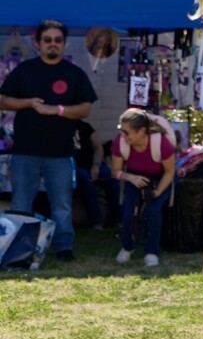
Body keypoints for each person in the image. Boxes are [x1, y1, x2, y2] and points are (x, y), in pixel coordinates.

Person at [0, 20, 98, 262]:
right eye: (48, 40)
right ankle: (19, 250)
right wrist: (28, 103)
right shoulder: (25, 70)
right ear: (38, 43)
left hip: (60, 153)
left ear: (64, 44)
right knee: (22, 202)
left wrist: (58, 110)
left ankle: (64, 248)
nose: (52, 44)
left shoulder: (74, 74)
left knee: (62, 205)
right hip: (25, 151)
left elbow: (85, 109)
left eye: (57, 40)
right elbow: (3, 100)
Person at [111, 109, 177, 267]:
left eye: (127, 132)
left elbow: (170, 172)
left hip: (161, 178)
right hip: (134, 178)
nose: (123, 136)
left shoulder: (161, 143)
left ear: (141, 131)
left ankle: (152, 252)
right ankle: (127, 247)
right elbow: (116, 172)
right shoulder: (120, 142)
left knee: (152, 211)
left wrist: (157, 192)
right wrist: (130, 177)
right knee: (129, 213)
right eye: (121, 130)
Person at [74, 120, 119, 230]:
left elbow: (99, 148)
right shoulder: (61, 128)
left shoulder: (84, 126)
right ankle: (96, 220)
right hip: (74, 169)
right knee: (85, 178)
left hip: (93, 165)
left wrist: (96, 165)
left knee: (108, 175)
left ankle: (118, 217)